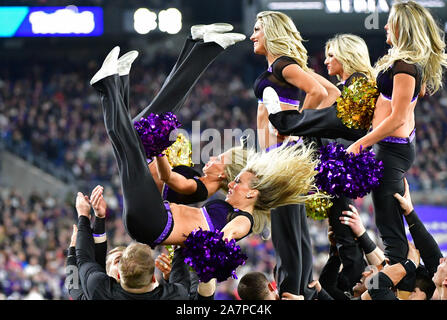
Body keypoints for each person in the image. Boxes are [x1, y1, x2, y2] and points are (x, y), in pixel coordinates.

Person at [90, 46, 325, 253]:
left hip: (154, 222)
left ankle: (110, 84)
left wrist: (224, 240)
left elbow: (232, 232)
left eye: (238, 182)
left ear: (251, 193)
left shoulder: (244, 220)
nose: (232, 185)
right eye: (237, 180)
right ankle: (115, 82)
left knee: (130, 148)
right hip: (151, 217)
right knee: (127, 149)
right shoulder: (227, 206)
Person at [343, 1, 447, 297]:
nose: (385, 26)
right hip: (391, 148)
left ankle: (400, 275)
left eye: (390, 22)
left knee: (389, 231)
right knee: (388, 224)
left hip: (391, 149)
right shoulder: (405, 64)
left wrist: (360, 144)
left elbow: (399, 117)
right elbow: (411, 99)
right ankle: (397, 277)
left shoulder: (405, 67)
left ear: (403, 27)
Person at [250, 10, 338, 299]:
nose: (252, 35)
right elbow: (332, 92)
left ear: (272, 32)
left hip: (281, 156)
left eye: (258, 29)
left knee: (286, 234)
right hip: (282, 156)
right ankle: (302, 290)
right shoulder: (286, 65)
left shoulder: (282, 65)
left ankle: (291, 292)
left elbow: (317, 90)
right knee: (294, 232)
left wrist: (296, 126)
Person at [73, 191, 191, 299]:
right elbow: (181, 289)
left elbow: (78, 275)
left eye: (121, 260)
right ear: (153, 278)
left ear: (119, 274)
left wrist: (72, 251)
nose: (130, 266)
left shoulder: (96, 289)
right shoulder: (174, 294)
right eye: (118, 260)